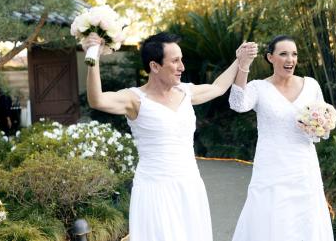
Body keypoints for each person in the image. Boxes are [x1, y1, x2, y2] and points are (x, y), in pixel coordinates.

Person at [84, 32, 257, 241]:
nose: (182, 67)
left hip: (190, 185)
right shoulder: (134, 99)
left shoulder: (186, 92)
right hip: (154, 190)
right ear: (155, 66)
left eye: (181, 59)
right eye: (175, 61)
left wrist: (239, 60)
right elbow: (97, 100)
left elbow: (218, 88)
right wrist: (92, 56)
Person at [229, 35, 334, 241]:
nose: (290, 60)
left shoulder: (311, 85)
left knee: (306, 219)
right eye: (283, 54)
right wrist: (244, 65)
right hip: (271, 168)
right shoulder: (259, 87)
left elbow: (324, 123)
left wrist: (319, 126)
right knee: (271, 219)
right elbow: (238, 103)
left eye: (294, 54)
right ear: (270, 57)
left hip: (304, 166)